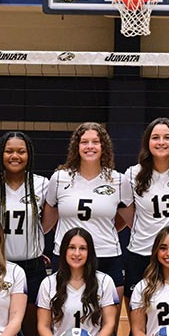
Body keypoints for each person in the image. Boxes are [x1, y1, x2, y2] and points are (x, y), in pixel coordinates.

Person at [43, 122, 125, 296]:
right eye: (84, 142)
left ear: (103, 146)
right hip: (67, 256)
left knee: (109, 320)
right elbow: (48, 220)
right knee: (63, 316)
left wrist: (102, 227)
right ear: (76, 146)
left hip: (106, 255)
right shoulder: (59, 178)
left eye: (95, 142)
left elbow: (128, 219)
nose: (90, 146)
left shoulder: (118, 180)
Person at [120, 118, 169, 299]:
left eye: (167, 137)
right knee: (139, 315)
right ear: (147, 142)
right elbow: (130, 215)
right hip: (142, 252)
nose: (161, 142)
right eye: (155, 137)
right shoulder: (132, 174)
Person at [0, 131, 49, 307]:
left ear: (29, 155)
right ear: (1, 154)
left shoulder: (42, 184)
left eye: (21, 151)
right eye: (9, 151)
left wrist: (34, 240)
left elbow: (48, 221)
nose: (15, 156)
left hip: (32, 266)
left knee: (32, 324)